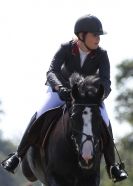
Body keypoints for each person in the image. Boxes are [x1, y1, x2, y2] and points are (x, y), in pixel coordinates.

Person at [1, 14, 128, 182]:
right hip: (60, 91)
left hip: (88, 98)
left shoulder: (102, 55)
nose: (98, 38)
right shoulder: (65, 49)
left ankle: (112, 166)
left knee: (105, 120)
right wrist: (60, 88)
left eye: (99, 35)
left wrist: (100, 95)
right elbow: (51, 71)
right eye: (95, 35)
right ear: (82, 35)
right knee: (41, 113)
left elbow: (106, 80)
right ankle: (18, 155)